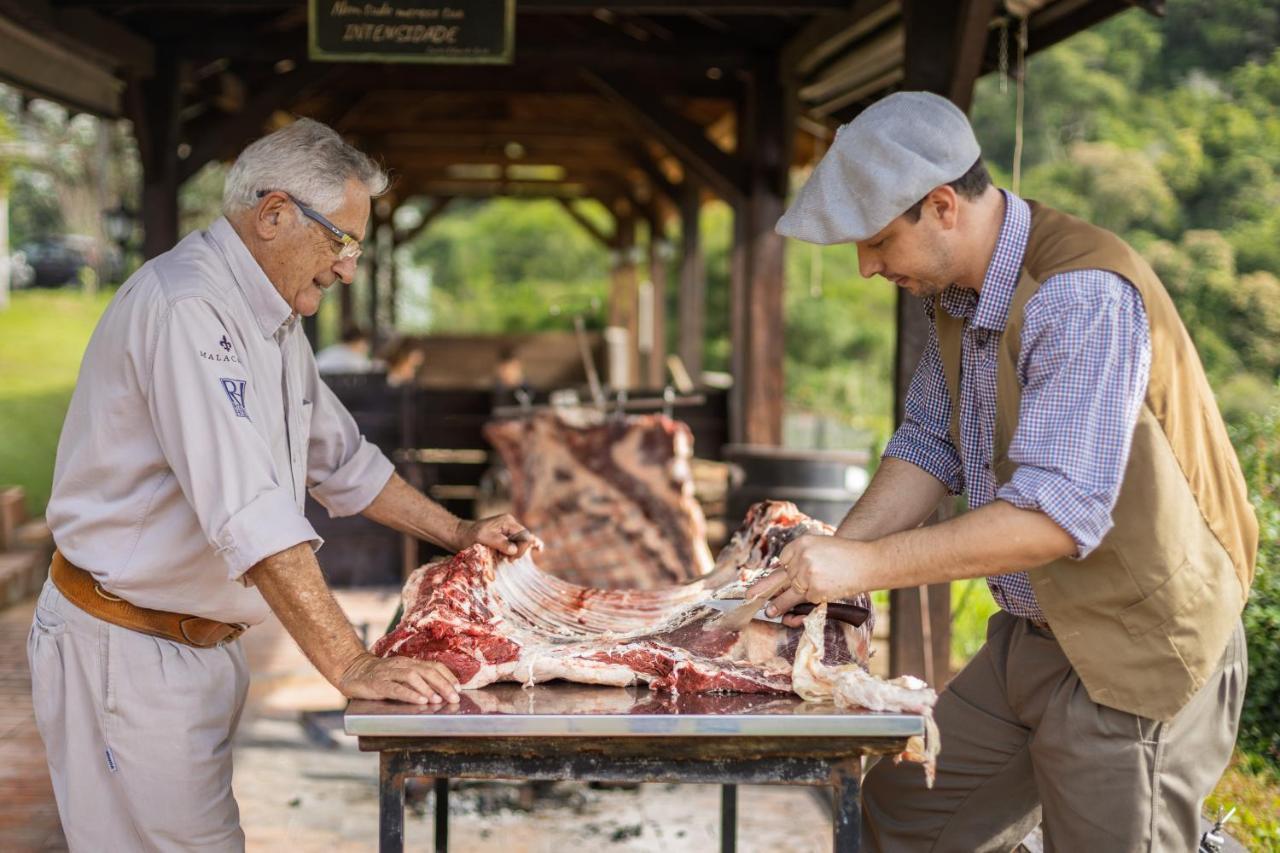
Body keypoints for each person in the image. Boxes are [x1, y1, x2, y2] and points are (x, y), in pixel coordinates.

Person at [758, 91, 1257, 851]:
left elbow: (1055, 515)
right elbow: (931, 442)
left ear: (943, 206)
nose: (865, 267)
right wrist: (829, 567)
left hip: (1138, 646)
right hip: (1034, 637)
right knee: (899, 819)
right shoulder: (952, 294)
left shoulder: (1079, 294)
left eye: (878, 241)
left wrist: (863, 562)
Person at [30, 117, 541, 852]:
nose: (346, 268)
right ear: (274, 215)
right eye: (341, 241)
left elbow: (343, 461)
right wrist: (352, 663)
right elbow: (253, 514)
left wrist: (460, 533)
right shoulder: (189, 306)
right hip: (126, 649)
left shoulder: (270, 318)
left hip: (195, 645)